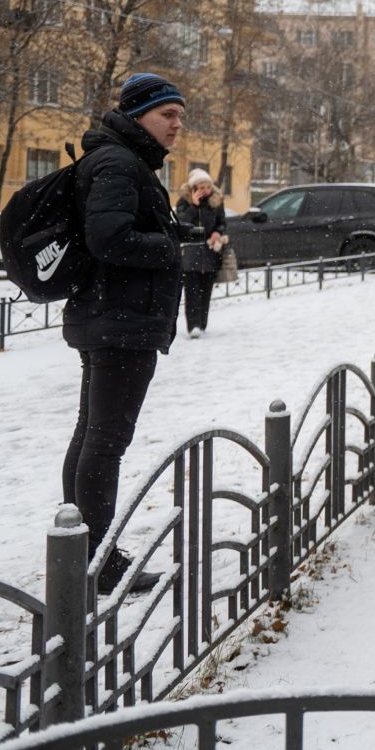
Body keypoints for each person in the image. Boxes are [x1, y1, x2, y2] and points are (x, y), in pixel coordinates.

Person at [61, 73, 188, 596]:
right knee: (106, 441)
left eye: (181, 115)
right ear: (138, 115)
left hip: (110, 316)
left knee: (93, 433)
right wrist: (173, 248)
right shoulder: (118, 162)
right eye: (168, 115)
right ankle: (97, 561)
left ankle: (75, 545)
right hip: (121, 320)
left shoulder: (119, 159)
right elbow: (109, 238)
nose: (177, 125)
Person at [173, 168, 228, 338]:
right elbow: (180, 223)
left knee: (206, 290)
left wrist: (217, 232)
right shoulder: (184, 201)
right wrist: (194, 206)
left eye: (208, 186)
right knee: (192, 290)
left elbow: (222, 223)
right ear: (193, 188)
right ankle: (193, 326)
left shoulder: (216, 201)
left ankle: (202, 323)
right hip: (190, 252)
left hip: (210, 251)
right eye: (201, 187)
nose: (205, 190)